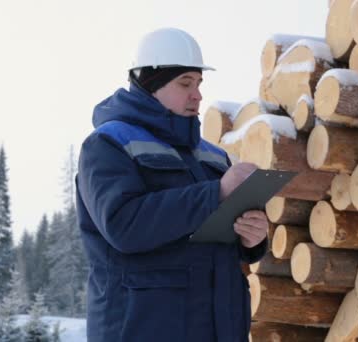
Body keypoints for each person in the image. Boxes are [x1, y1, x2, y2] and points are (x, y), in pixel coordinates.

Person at [76, 27, 269, 341]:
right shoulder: (108, 144)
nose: (197, 94)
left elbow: (215, 239)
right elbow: (124, 226)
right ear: (151, 84)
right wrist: (216, 192)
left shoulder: (213, 156)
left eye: (199, 83)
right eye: (185, 83)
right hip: (142, 328)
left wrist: (252, 239)